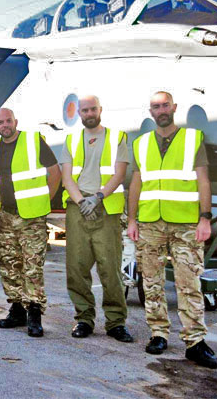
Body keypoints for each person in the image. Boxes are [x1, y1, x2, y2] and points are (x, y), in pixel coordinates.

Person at [127, 91, 217, 368]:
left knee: (188, 282)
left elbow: (203, 180)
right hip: (151, 222)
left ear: (174, 107)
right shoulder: (141, 143)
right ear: (150, 111)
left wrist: (205, 218)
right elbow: (136, 184)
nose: (161, 110)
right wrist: (132, 220)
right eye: (156, 106)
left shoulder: (193, 139)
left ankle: (195, 341)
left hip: (186, 223)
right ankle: (158, 334)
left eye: (165, 105)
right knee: (151, 282)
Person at [61, 95, 133, 342]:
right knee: (77, 267)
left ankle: (116, 322)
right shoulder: (71, 140)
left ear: (100, 110)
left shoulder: (117, 137)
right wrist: (81, 201)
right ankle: (84, 319)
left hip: (106, 209)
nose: (89, 113)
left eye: (93, 109)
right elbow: (67, 177)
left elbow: (120, 173)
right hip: (78, 209)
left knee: (109, 267)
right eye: (84, 110)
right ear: (79, 113)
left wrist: (98, 197)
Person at [0, 108, 61, 337]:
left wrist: (43, 203)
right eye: (0, 122)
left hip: (32, 217)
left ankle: (34, 313)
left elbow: (55, 173)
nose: (5, 125)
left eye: (8, 121)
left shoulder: (33, 141)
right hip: (6, 216)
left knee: (32, 267)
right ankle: (17, 309)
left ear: (15, 121)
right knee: (8, 264)